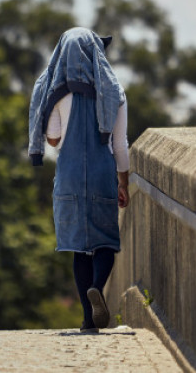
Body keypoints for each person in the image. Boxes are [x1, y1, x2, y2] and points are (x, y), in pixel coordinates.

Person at [28, 27, 129, 333]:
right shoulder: (113, 91)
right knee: (105, 243)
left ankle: (88, 319)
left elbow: (54, 140)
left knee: (78, 248)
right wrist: (123, 182)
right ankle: (97, 286)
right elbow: (120, 145)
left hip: (70, 179)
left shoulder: (54, 92)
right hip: (101, 175)